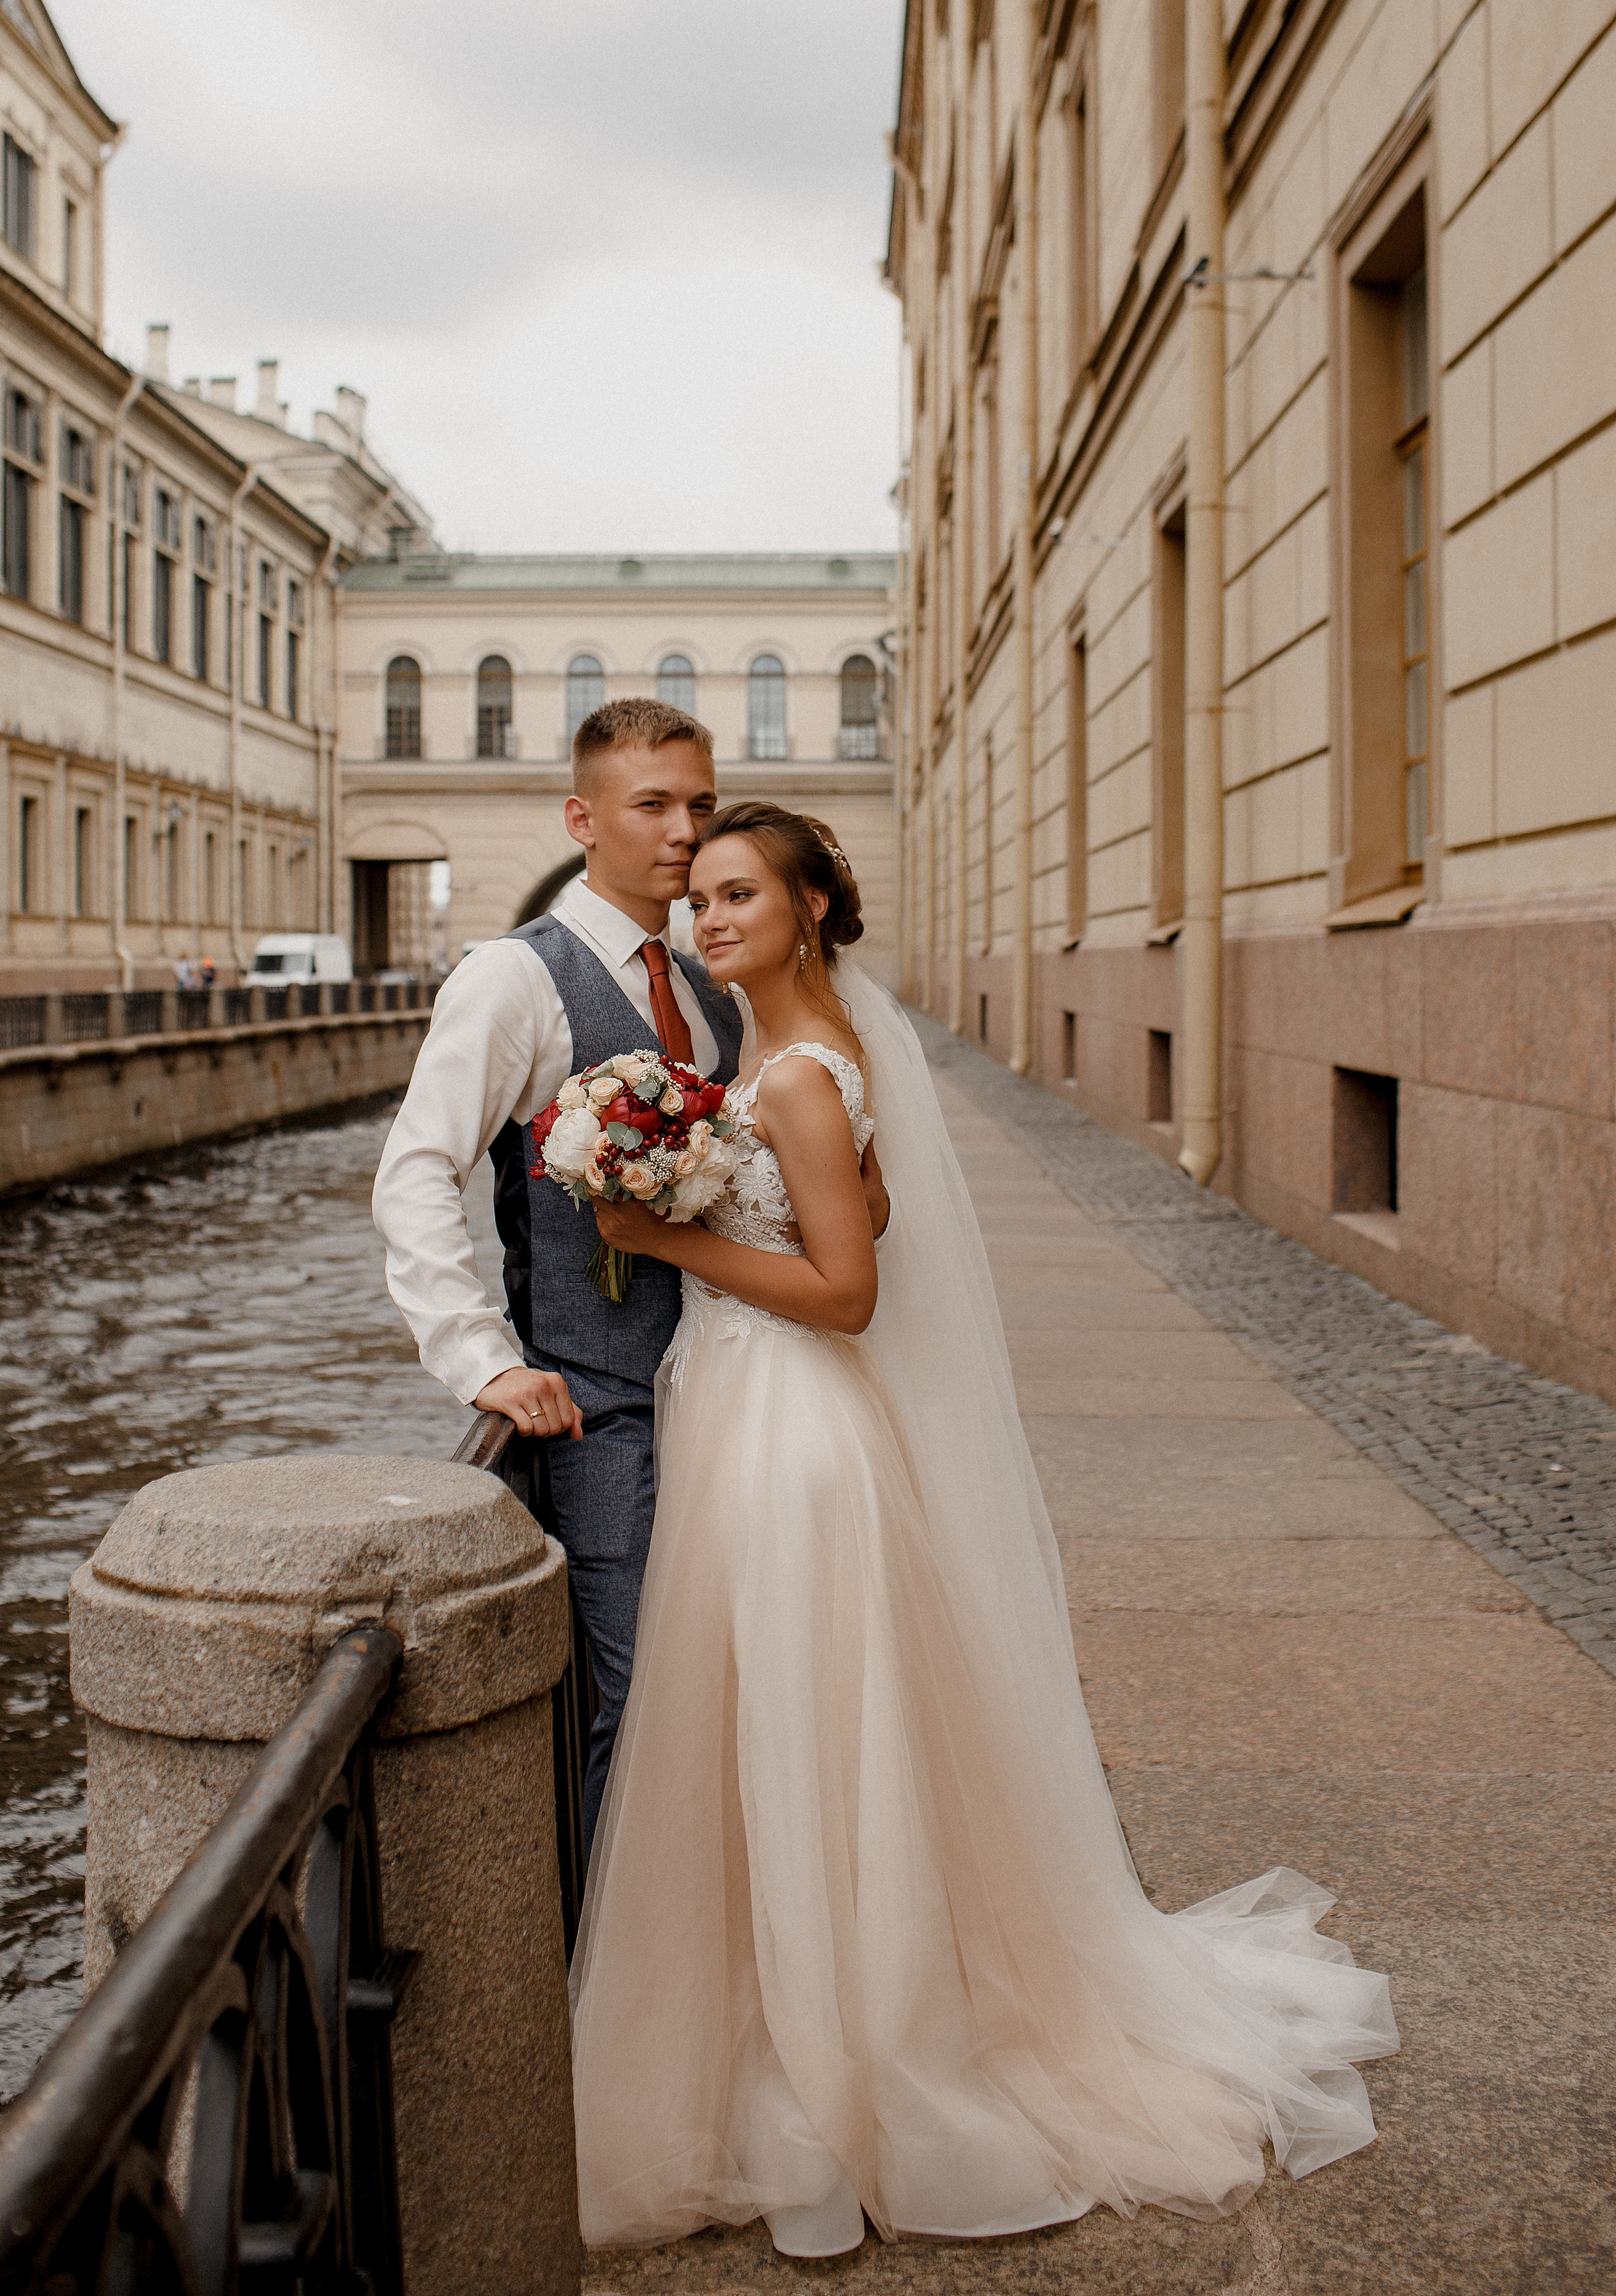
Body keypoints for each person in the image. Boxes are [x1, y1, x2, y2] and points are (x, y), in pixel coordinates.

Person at [568, 801, 1398, 2259]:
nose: (708, 920)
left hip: (793, 1437)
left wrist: (661, 1233)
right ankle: (805, 2011)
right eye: (697, 899)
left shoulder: (801, 1078)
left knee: (810, 1726)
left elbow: (846, 1292)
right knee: (792, 1725)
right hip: (754, 1417)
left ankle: (852, 2056)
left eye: (739, 894)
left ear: (811, 908)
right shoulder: (786, 1056)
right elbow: (874, 1213)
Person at [371, 701, 886, 1846]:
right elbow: (416, 1172)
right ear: (582, 817)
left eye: (700, 804)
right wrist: (480, 1359)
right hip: (598, 1406)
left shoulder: (716, 982)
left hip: (736, 1389)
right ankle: (610, 1988)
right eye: (653, 804)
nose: (684, 831)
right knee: (639, 1698)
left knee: (737, 1685)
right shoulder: (513, 978)